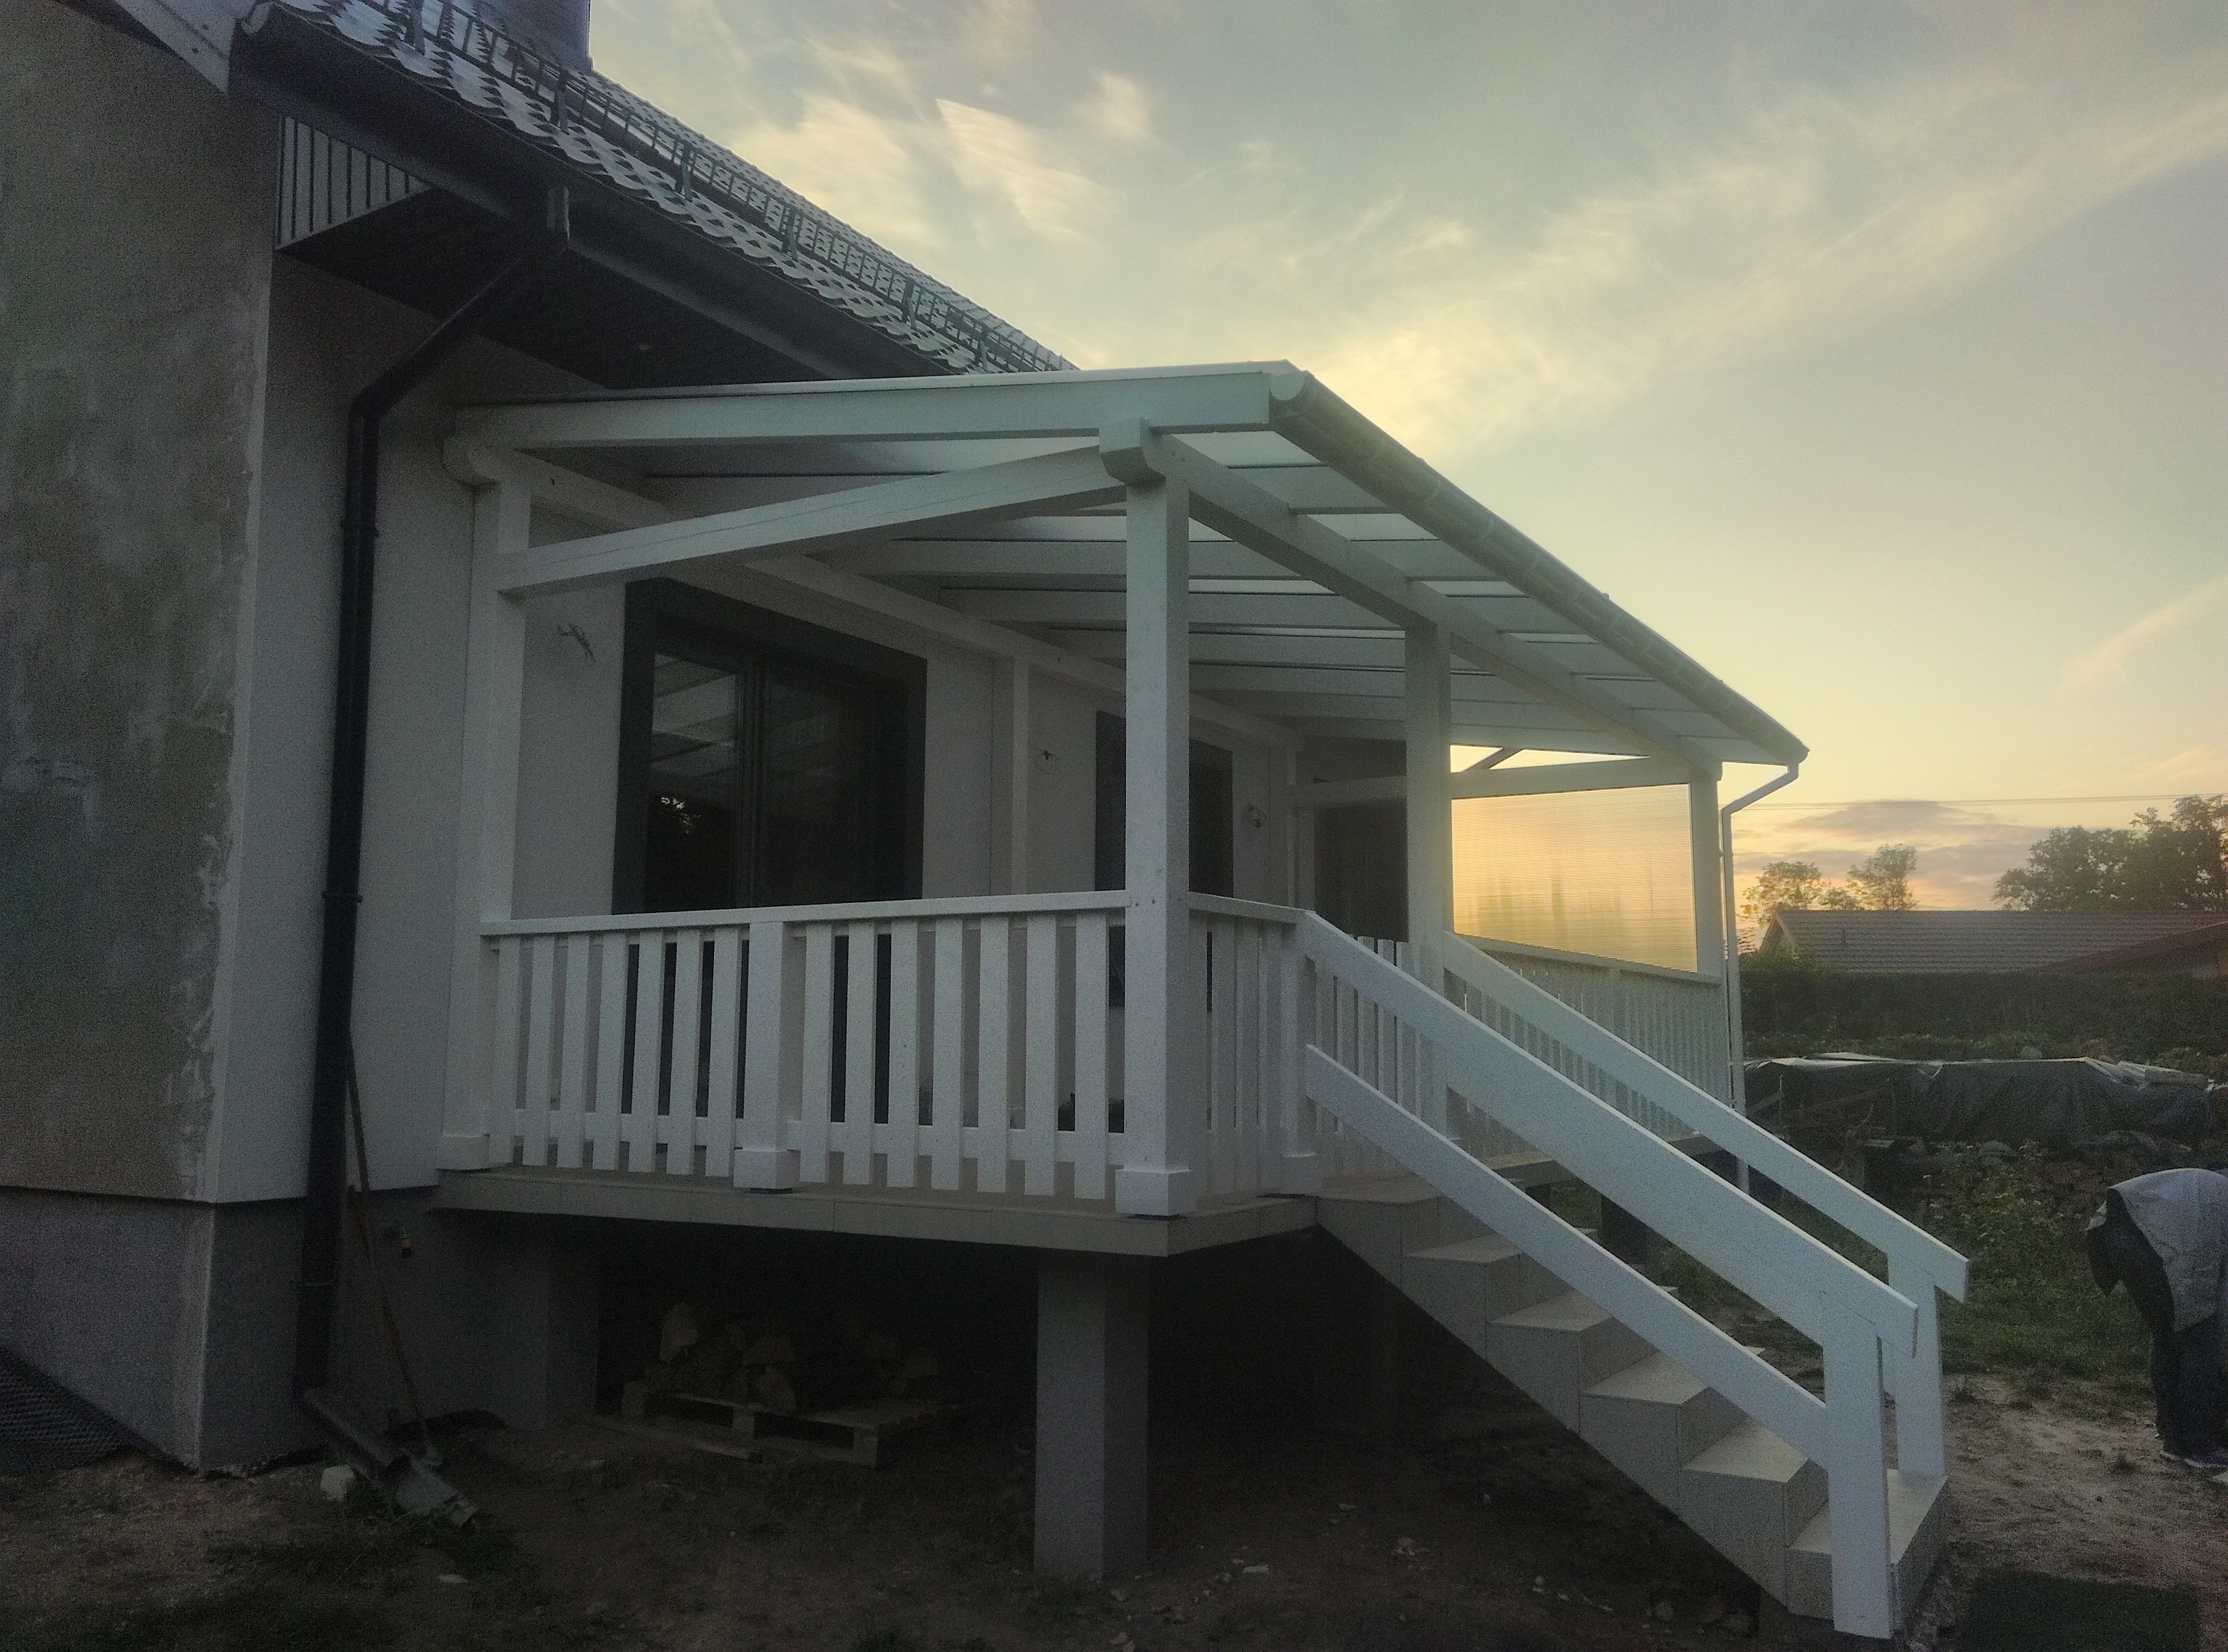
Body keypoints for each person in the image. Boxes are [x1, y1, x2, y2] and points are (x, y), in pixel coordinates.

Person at [2085, 1166, 2228, 1470]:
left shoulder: (2209, 1185)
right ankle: (2198, 1446)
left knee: (2167, 1334)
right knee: (2200, 1338)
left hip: (2113, 1230)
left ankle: (2174, 1438)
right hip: (2149, 1239)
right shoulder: (2217, 1196)